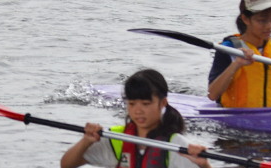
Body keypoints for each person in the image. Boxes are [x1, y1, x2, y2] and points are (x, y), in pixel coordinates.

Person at [61, 69, 210, 168]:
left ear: (162, 103)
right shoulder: (115, 138)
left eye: (146, 104)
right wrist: (86, 141)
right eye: (131, 104)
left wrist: (204, 165)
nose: (138, 111)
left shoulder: (175, 144)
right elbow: (67, 164)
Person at [207, 0, 271, 108]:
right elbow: (212, 95)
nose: (269, 26)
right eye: (262, 20)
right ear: (245, 19)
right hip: (235, 121)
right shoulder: (228, 49)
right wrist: (236, 64)